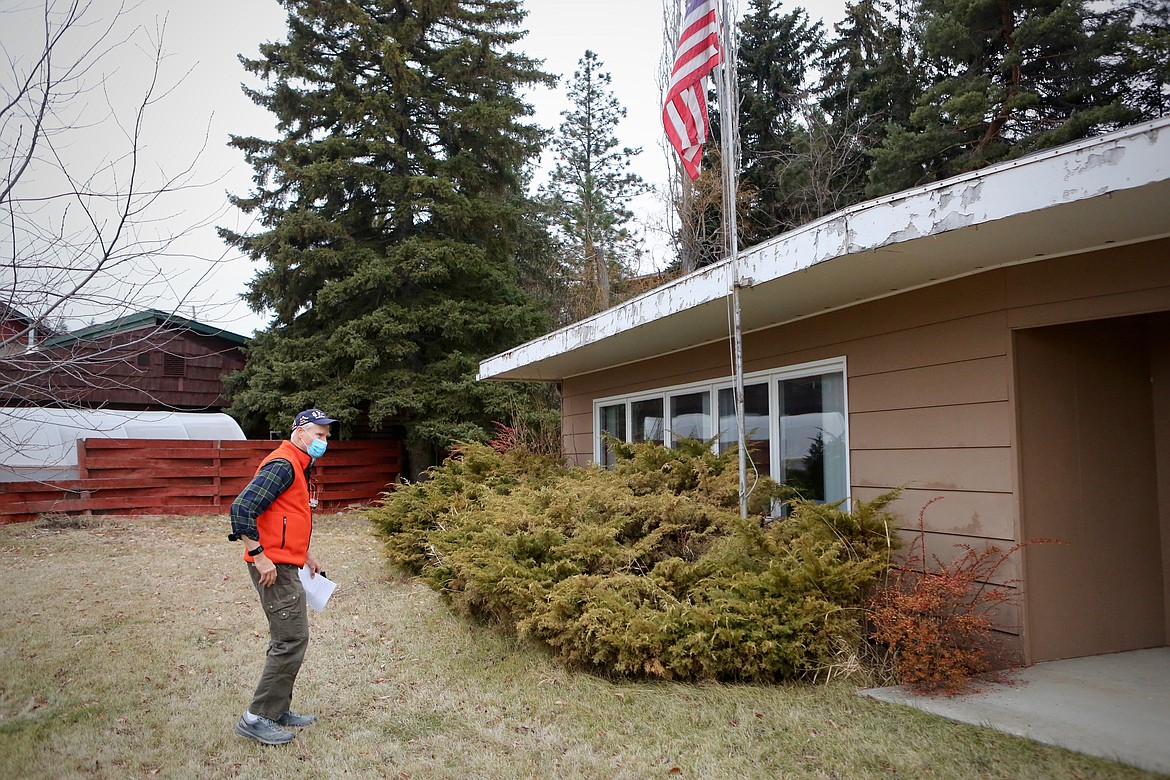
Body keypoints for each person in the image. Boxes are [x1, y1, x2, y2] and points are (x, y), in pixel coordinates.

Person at [228, 408, 337, 745]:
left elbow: (284, 517)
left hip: (286, 563)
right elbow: (242, 508)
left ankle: (276, 710)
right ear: (299, 432)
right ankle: (257, 717)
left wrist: (305, 555)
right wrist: (260, 557)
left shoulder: (299, 464)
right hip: (273, 568)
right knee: (290, 639)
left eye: (326, 436)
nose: (324, 442)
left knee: (289, 638)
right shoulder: (283, 464)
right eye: (318, 435)